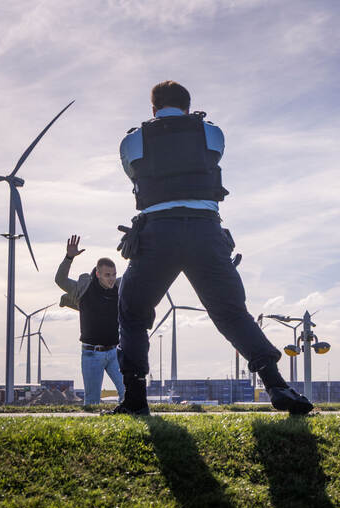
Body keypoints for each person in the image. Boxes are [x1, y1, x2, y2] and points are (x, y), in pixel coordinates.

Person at [111, 80, 313, 415]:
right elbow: (213, 158)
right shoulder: (211, 133)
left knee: (132, 313)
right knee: (232, 313)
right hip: (206, 231)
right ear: (189, 106)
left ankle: (135, 398)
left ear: (153, 108)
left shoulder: (133, 140)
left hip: (156, 233)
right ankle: (277, 386)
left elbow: (133, 174)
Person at [55, 235, 125, 406]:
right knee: (92, 402)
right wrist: (69, 258)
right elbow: (60, 280)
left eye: (114, 274)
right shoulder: (83, 288)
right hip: (92, 353)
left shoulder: (119, 288)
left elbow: (137, 277)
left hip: (114, 353)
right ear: (97, 273)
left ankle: (126, 425)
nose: (111, 278)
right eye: (107, 275)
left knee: (129, 392)